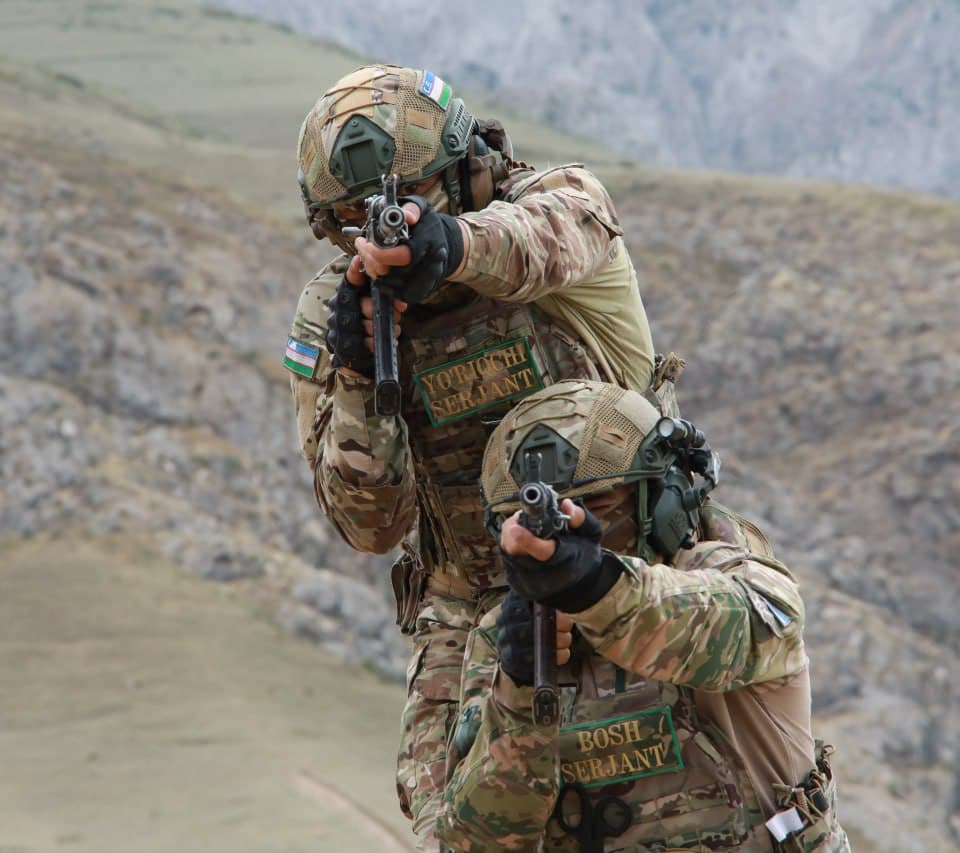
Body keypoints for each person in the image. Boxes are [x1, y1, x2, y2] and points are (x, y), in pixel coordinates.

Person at [284, 65, 681, 848]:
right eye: (348, 225)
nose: (378, 231)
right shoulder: (337, 311)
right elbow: (369, 521)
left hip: (634, 567)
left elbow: (541, 241)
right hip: (471, 603)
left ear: (469, 167)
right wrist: (362, 373)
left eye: (410, 202)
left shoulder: (561, 206)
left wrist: (450, 246)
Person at [436, 379, 849, 851]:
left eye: (601, 504)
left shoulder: (733, 575)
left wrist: (596, 585)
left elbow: (724, 629)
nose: (572, 530)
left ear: (661, 496)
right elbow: (475, 841)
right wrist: (518, 695)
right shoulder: (508, 638)